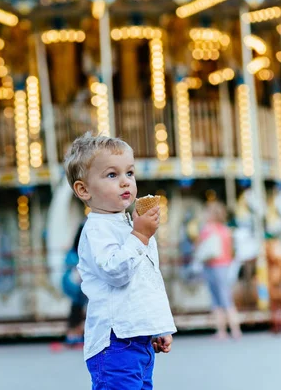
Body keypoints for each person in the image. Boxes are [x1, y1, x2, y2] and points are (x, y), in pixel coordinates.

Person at [63, 132, 176, 390]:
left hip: (138, 338)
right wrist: (140, 236)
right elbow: (115, 271)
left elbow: (146, 282)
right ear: (83, 189)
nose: (125, 182)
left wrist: (157, 326)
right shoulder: (96, 229)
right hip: (114, 343)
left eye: (130, 173)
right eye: (112, 175)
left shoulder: (130, 224)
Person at [198, 201, 242, 340]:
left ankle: (221, 330)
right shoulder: (225, 230)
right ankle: (235, 329)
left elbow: (200, 245)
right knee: (226, 297)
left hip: (212, 265)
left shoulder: (207, 229)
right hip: (225, 265)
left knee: (217, 299)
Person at [62, 223, 87, 347]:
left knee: (78, 307)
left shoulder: (73, 252)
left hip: (77, 284)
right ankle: (75, 333)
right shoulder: (76, 253)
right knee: (78, 307)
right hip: (77, 284)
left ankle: (75, 332)